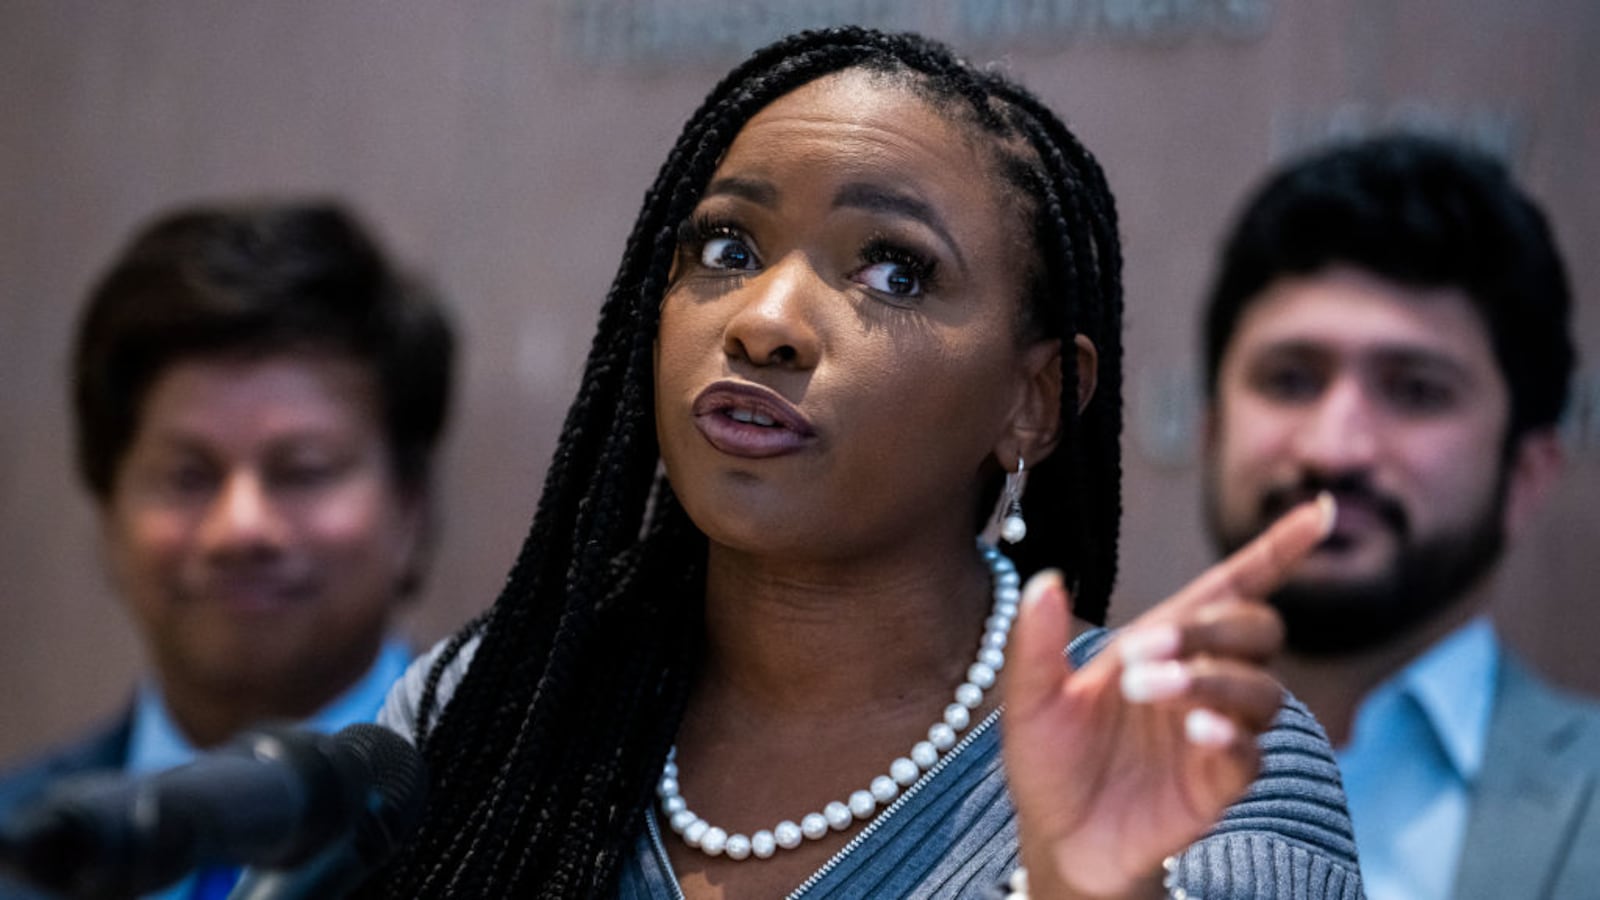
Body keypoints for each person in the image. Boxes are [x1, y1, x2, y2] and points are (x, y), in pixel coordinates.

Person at [362, 28, 1361, 899]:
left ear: (1034, 400)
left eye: (894, 271)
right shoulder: (488, 708)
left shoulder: (1193, 754)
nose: (763, 323)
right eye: (726, 249)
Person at [0, 200, 455, 899]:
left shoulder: (531, 827)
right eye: (187, 477)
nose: (240, 528)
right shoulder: (25, 848)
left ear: (412, 510)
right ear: (106, 510)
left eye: (303, 471)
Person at [1201, 134, 1599, 900]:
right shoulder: (1047, 779)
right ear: (1216, 432)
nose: (1334, 448)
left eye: (1416, 391)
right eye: (1289, 380)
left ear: (1525, 471)